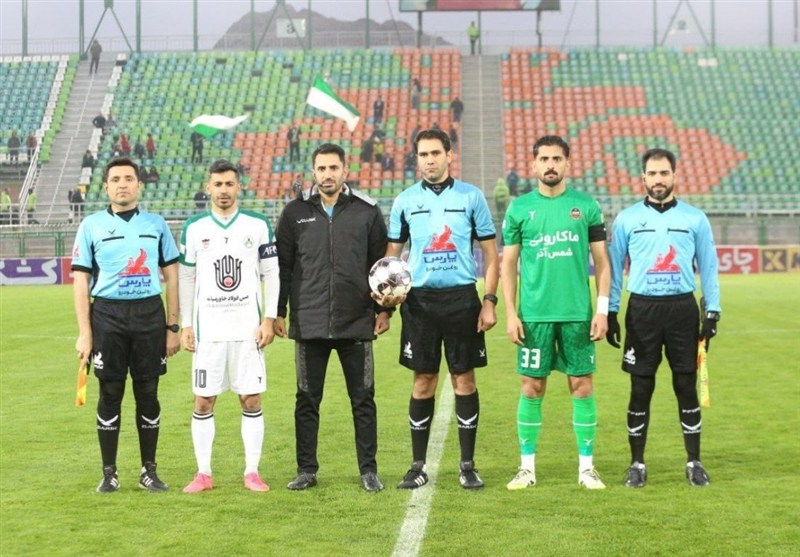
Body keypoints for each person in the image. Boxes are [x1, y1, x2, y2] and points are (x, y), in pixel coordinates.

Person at [383, 128, 499, 490]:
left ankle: (467, 465)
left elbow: (491, 254)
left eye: (435, 153)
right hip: (419, 303)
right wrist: (386, 302)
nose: (429, 160)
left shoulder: (471, 197)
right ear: (416, 159)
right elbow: (392, 257)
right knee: (423, 380)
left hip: (462, 300)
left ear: (450, 155)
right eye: (423, 154)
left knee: (464, 379)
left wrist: (489, 300)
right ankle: (417, 465)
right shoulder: (405, 201)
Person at [274, 143, 391, 493]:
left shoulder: (367, 211)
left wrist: (384, 311)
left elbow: (381, 267)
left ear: (345, 170)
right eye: (322, 168)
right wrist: (278, 312)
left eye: (333, 168)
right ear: (313, 172)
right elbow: (282, 267)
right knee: (307, 400)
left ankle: (368, 470)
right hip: (308, 322)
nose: (327, 174)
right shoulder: (294, 212)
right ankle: (306, 470)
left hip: (356, 321)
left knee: (363, 399)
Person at [606, 147, 721, 488]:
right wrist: (610, 310)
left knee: (685, 385)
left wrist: (712, 310)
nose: (658, 179)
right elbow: (614, 268)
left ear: (674, 176)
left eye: (664, 173)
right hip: (642, 311)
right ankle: (637, 464)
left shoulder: (694, 218)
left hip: (682, 310)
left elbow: (709, 266)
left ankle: (694, 462)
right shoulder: (627, 219)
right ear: (643, 178)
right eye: (653, 173)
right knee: (641, 387)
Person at [501, 135, 610, 491]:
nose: (550, 165)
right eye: (544, 159)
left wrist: (602, 310)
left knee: (582, 386)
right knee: (532, 387)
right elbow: (508, 265)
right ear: (533, 165)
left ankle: (587, 469)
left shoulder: (586, 206)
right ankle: (526, 469)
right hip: (534, 316)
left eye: (557, 159)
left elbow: (602, 263)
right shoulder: (519, 209)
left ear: (567, 163)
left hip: (578, 314)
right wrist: (511, 314)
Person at [71, 156, 180, 493]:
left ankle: (149, 471)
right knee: (110, 393)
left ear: (139, 185)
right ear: (106, 186)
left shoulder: (156, 224)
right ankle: (109, 472)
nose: (122, 184)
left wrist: (173, 327)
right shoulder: (91, 225)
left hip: (149, 315)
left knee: (148, 393)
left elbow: (172, 277)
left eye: (128, 178)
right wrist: (85, 333)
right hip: (107, 316)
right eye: (116, 179)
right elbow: (80, 280)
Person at [178, 160, 279, 493]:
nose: (223, 190)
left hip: (248, 330)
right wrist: (186, 324)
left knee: (251, 399)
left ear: (239, 187)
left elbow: (271, 273)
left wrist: (269, 318)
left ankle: (252, 472)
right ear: (208, 187)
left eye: (229, 184)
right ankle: (203, 473)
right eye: (218, 184)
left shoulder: (258, 224)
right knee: (203, 401)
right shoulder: (194, 228)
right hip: (208, 332)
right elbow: (186, 276)